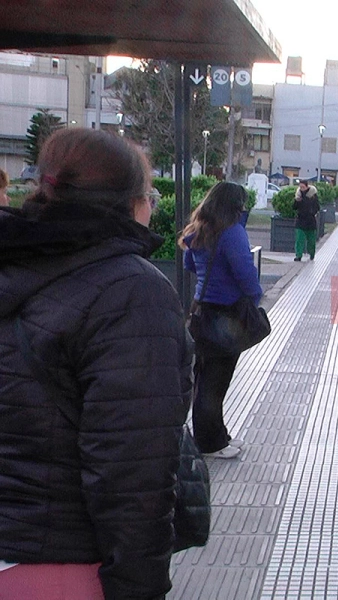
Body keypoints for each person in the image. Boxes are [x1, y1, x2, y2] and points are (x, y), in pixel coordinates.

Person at [0, 128, 193, 599]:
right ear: (130, 203)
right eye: (150, 196)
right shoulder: (131, 292)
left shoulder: (13, 260)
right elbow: (133, 477)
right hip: (63, 568)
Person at [181, 182, 263, 460]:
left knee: (205, 377)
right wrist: (255, 296)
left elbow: (188, 264)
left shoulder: (198, 229)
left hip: (202, 310)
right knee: (215, 381)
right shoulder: (232, 232)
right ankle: (210, 443)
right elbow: (245, 272)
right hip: (226, 313)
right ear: (235, 205)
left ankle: (217, 435)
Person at [293, 180, 320, 261]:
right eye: (300, 187)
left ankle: (312, 254)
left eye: (303, 187)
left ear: (307, 186)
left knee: (311, 240)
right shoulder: (298, 195)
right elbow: (294, 207)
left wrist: (313, 212)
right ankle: (298, 255)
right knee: (299, 239)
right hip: (300, 220)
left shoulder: (313, 195)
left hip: (310, 221)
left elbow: (317, 206)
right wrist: (297, 201)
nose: (301, 189)